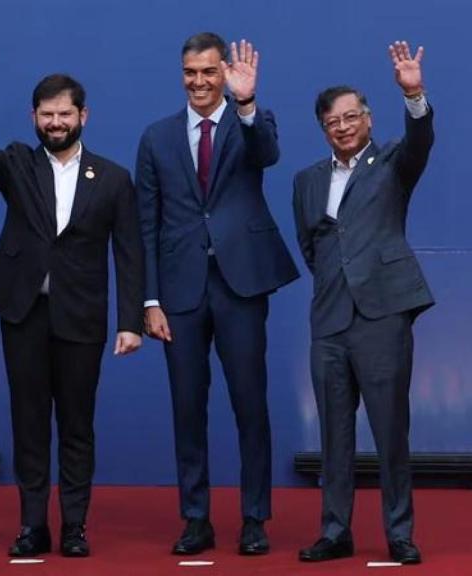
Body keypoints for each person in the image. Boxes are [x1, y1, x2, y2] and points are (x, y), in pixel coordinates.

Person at [0, 39, 144, 558]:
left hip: (82, 317)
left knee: (77, 426)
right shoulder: (16, 165)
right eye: (46, 114)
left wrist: (131, 320)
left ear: (83, 115)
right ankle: (33, 526)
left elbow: (130, 253)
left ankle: (74, 527)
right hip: (22, 313)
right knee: (29, 423)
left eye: (64, 113)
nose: (55, 122)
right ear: (34, 117)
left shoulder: (114, 178)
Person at [134, 32, 298, 556]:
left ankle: (254, 519)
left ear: (225, 73)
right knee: (187, 408)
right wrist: (149, 299)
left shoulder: (253, 121)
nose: (200, 82)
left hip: (240, 284)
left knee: (250, 404)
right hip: (179, 291)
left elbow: (266, 155)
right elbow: (147, 224)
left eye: (209, 72)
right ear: (181, 74)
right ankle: (196, 518)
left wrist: (247, 102)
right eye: (191, 73)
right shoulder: (156, 137)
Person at [293, 41, 432, 565]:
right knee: (333, 435)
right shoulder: (306, 181)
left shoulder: (394, 161)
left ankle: (399, 533)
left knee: (391, 430)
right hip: (328, 320)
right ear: (323, 128)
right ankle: (335, 531)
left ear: (369, 121)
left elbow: (421, 138)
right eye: (334, 121)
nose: (344, 126)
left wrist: (414, 93)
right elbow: (313, 247)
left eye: (353, 117)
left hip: (382, 317)